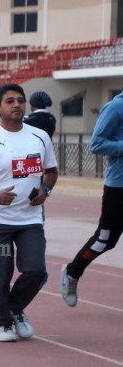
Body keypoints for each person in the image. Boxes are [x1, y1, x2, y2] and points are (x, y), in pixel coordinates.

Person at [0, 84, 57, 341]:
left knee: (37, 270)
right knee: (0, 277)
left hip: (30, 220)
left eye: (20, 100)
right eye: (9, 101)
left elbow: (51, 172)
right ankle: (2, 324)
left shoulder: (40, 137)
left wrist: (45, 191)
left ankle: (14, 308)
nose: (16, 105)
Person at [61, 91, 123, 307]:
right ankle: (72, 272)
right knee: (105, 240)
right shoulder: (115, 108)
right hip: (119, 187)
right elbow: (96, 144)